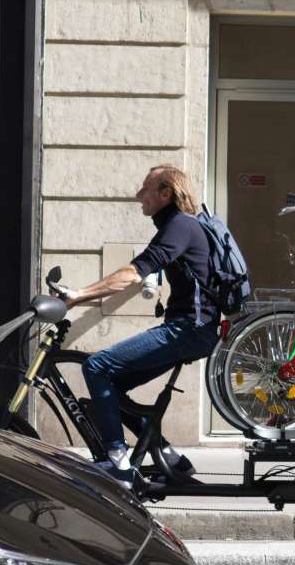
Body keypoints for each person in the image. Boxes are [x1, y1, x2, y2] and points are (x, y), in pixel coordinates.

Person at [62, 165, 220, 482]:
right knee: (113, 386)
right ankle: (168, 455)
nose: (138, 197)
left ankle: (117, 462)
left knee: (96, 367)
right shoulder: (178, 226)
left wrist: (77, 296)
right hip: (190, 329)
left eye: (145, 189)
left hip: (188, 329)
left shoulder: (180, 227)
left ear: (165, 193)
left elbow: (134, 273)